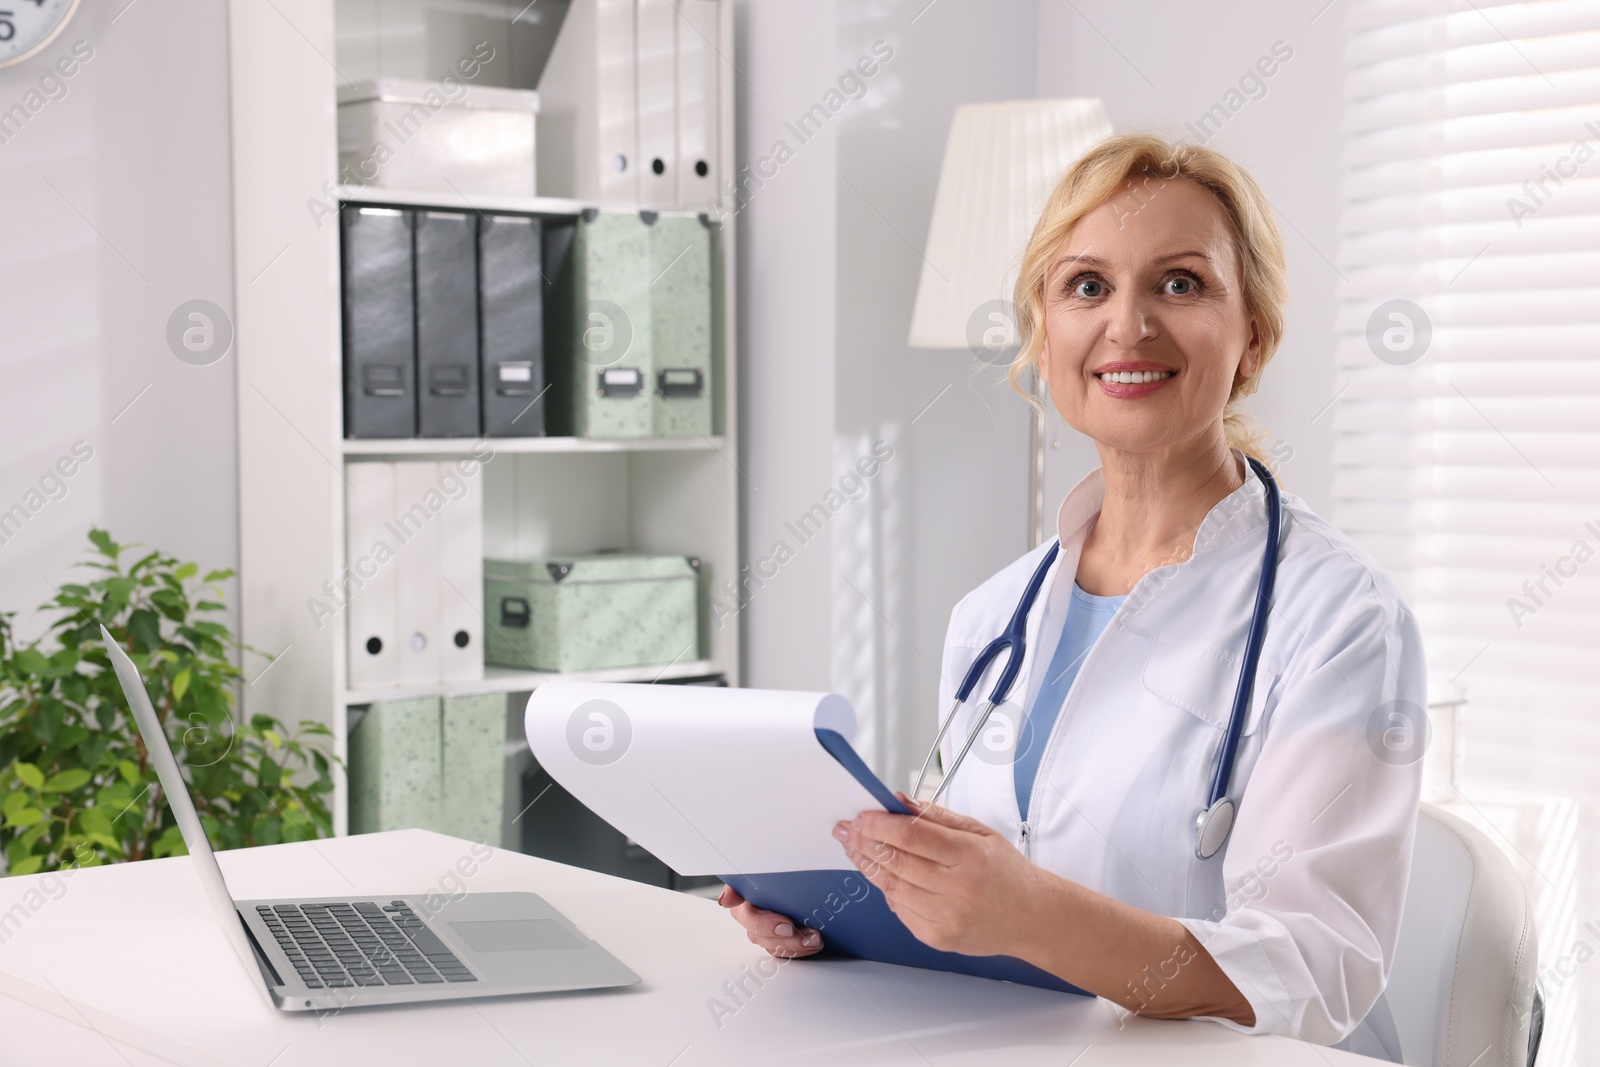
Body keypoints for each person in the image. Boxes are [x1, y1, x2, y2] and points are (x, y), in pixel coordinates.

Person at [718, 132, 1424, 1059]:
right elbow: (986, 917)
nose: (1128, 325)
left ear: (1254, 335)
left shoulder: (1341, 619)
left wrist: (1029, 913)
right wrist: (845, 920)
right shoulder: (991, 618)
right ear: (1044, 341)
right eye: (1086, 287)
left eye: (1180, 284)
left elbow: (1310, 967)